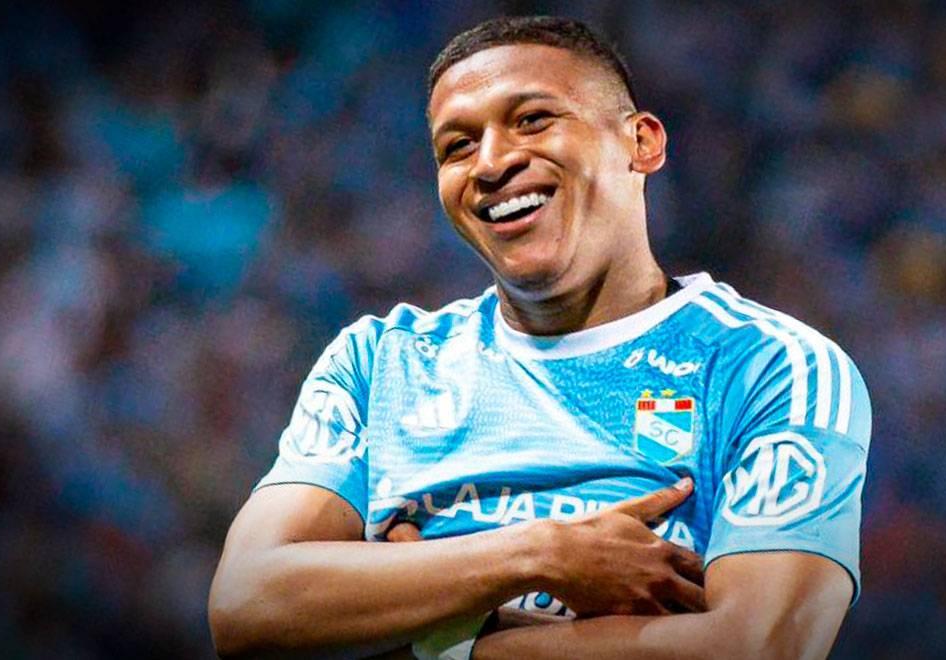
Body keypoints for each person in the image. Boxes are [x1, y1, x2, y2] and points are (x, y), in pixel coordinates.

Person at [209, 15, 871, 659]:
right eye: (457, 146)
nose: (491, 163)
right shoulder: (379, 363)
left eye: (532, 119)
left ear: (641, 142)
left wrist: (438, 636)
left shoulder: (771, 367)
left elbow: (759, 646)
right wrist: (540, 554)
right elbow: (246, 604)